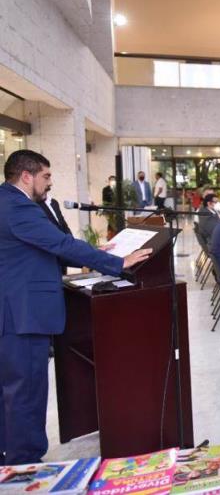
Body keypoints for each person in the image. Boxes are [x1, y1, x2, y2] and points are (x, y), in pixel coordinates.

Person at [0, 150, 151, 465]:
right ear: (26, 176)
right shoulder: (17, 206)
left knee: (14, 391)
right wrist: (118, 262)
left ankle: (10, 458)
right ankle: (25, 464)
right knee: (26, 392)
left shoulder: (8, 202)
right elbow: (60, 243)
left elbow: (50, 249)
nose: (49, 183)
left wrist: (94, 252)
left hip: (15, 311)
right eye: (46, 176)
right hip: (22, 315)